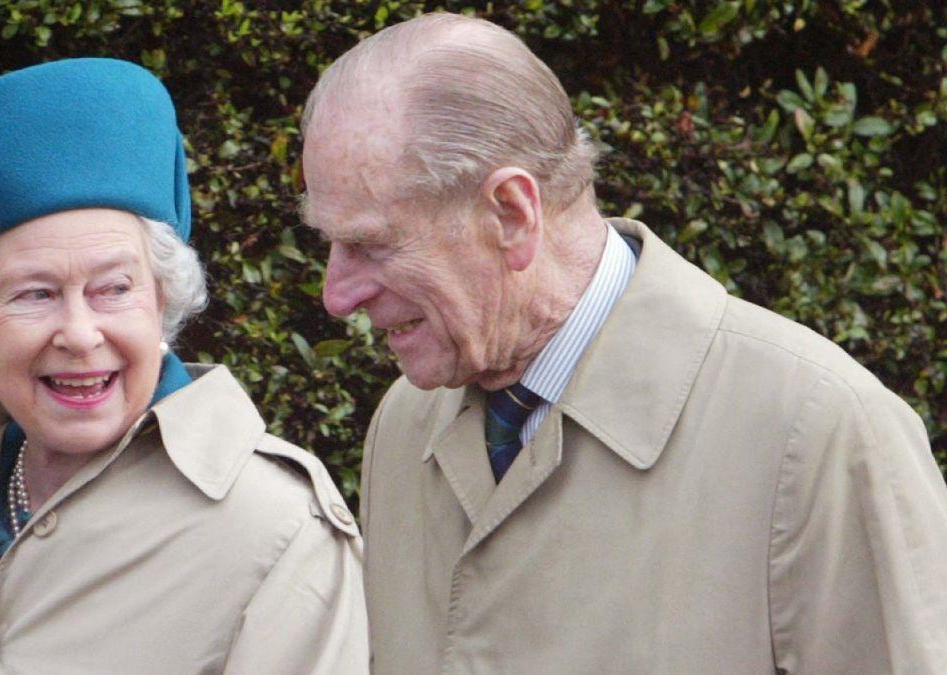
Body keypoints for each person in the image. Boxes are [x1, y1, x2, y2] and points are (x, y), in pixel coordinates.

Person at [299, 12, 947, 674]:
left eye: (371, 244)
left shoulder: (820, 435)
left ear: (512, 215)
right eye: (330, 243)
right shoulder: (404, 425)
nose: (335, 294)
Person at [0, 58, 368, 673]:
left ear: (162, 303)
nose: (81, 335)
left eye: (113, 289)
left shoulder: (277, 526)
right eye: (35, 293)